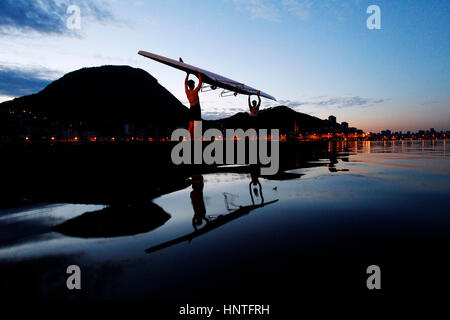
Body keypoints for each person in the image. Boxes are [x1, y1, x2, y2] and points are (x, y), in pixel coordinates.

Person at [185, 72, 203, 137]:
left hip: (191, 108)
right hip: (196, 109)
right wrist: (199, 74)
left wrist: (187, 74)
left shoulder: (187, 92)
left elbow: (185, 83)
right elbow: (200, 82)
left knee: (191, 125)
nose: (195, 85)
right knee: (197, 125)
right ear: (193, 85)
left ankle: (188, 137)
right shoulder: (194, 91)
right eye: (194, 84)